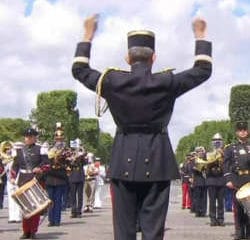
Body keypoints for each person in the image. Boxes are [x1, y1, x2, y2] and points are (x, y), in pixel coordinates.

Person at [72, 14, 212, 240]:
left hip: (122, 159)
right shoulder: (166, 82)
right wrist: (200, 35)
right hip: (158, 161)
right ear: (154, 57)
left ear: (128, 57)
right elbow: (203, 70)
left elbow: (79, 70)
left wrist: (87, 35)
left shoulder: (112, 81)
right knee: (153, 231)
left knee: (124, 231)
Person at [11, 128, 48, 239]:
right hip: (23, 179)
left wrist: (40, 169)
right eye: (26, 136)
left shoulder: (40, 149)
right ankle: (25, 231)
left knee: (35, 207)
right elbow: (15, 165)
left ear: (35, 138)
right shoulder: (20, 151)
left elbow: (47, 164)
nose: (28, 138)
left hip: (35, 179)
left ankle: (33, 231)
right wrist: (13, 177)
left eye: (30, 137)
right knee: (25, 207)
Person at [224, 121, 250, 240]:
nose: (243, 132)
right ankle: (239, 232)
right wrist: (229, 179)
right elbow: (226, 165)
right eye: (240, 130)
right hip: (237, 181)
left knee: (249, 208)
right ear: (236, 132)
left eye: (244, 130)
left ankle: (249, 232)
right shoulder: (230, 148)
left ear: (247, 131)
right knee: (238, 209)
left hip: (249, 181)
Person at [46, 123, 69, 227]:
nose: (59, 140)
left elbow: (69, 163)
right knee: (50, 200)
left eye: (61, 138)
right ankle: (51, 220)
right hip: (51, 177)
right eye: (57, 138)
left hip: (60, 177)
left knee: (58, 200)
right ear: (55, 138)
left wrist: (63, 160)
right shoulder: (50, 148)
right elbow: (46, 161)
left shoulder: (66, 150)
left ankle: (57, 220)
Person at [206, 133, 226, 226]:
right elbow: (202, 167)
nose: (217, 142)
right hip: (211, 179)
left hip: (221, 179)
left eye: (219, 140)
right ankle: (213, 219)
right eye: (215, 140)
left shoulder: (225, 152)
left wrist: (223, 157)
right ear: (212, 141)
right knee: (212, 201)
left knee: (221, 202)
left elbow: (227, 166)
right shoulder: (208, 153)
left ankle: (221, 219)